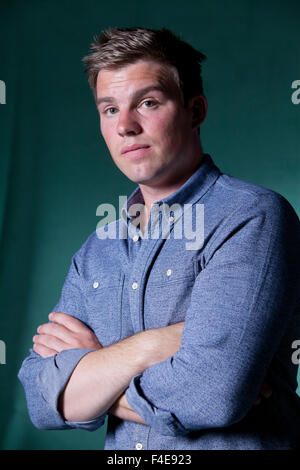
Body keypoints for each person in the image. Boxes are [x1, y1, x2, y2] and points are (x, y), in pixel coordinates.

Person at [18, 27, 300, 450]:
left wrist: (93, 373)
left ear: (195, 110)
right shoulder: (96, 251)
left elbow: (212, 396)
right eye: (109, 109)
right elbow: (40, 397)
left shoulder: (252, 218)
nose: (126, 126)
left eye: (147, 103)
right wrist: (157, 344)